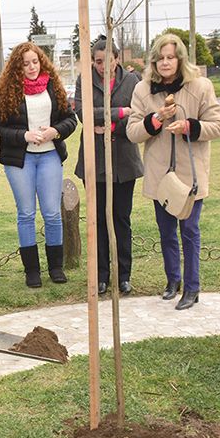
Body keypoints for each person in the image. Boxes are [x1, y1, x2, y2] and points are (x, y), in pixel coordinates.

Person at [127, 33, 220, 310]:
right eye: (160, 58)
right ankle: (173, 280)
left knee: (190, 230)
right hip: (160, 175)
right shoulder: (143, 90)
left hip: (190, 173)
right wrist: (156, 119)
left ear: (180, 59)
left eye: (170, 57)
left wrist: (189, 127)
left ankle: (192, 288)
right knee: (166, 230)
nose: (165, 63)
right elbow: (133, 132)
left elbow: (217, 125)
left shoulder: (200, 86)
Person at [0, 42, 78, 288]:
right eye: (25, 63)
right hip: (20, 159)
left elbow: (71, 119)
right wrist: (24, 136)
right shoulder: (3, 91)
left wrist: (54, 131)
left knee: (52, 213)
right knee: (26, 213)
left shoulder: (53, 85)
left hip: (49, 156)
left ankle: (56, 267)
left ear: (42, 62)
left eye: (35, 62)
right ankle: (32, 271)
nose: (31, 67)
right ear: (16, 66)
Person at [74, 37, 144, 296]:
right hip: (95, 161)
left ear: (117, 58)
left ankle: (123, 275)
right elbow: (84, 113)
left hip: (124, 159)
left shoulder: (131, 81)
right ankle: (101, 275)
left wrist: (115, 122)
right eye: (98, 61)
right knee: (99, 220)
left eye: (108, 60)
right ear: (93, 61)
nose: (103, 66)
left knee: (121, 219)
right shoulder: (85, 80)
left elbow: (136, 113)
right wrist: (120, 111)